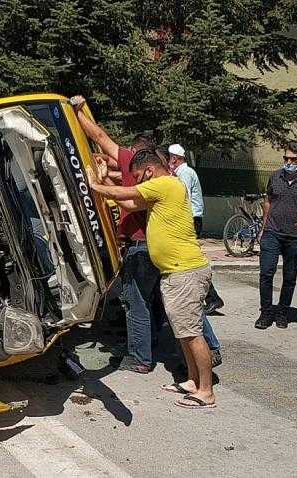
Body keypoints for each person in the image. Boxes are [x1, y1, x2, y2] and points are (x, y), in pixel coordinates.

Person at [87, 149, 217, 409]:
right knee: (183, 332)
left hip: (185, 271)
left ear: (149, 171)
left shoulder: (165, 183)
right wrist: (107, 183)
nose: (135, 183)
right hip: (174, 272)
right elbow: (128, 203)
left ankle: (206, 391)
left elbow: (121, 195)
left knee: (191, 333)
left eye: (137, 177)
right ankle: (192, 380)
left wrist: (94, 183)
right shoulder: (161, 191)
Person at [70, 95, 159, 373]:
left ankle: (140, 357)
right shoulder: (155, 175)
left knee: (136, 302)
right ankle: (148, 344)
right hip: (152, 244)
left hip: (140, 246)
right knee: (155, 299)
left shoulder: (132, 162)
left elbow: (98, 135)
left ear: (137, 153)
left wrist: (74, 113)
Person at [255, 142, 297, 329]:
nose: (289, 162)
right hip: (272, 233)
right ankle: (266, 312)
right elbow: (268, 201)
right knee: (266, 273)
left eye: (293, 159)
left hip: (295, 236)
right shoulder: (275, 176)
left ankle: (282, 312)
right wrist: (264, 226)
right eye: (286, 158)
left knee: (289, 276)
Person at [167, 144, 225, 314]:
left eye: (169, 158)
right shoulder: (183, 172)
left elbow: (182, 198)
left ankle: (212, 298)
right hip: (191, 219)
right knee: (187, 259)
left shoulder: (184, 173)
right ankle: (210, 298)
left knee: (189, 260)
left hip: (190, 219)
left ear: (174, 158)